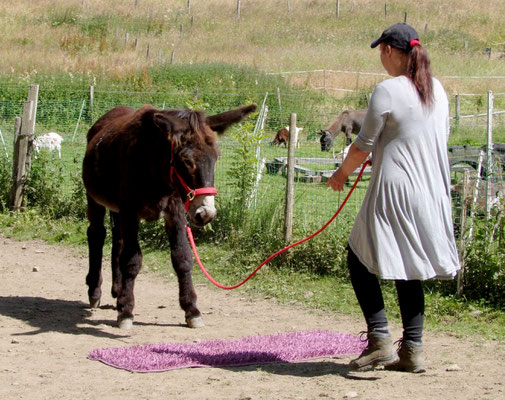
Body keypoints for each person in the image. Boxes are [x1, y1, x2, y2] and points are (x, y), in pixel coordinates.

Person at [327, 22, 460, 373]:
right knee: (409, 265)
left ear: (389, 51)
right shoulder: (438, 90)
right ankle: (413, 349)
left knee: (357, 257)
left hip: (395, 190)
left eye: (381, 53)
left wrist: (341, 174)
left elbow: (362, 146)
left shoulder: (387, 89)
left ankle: (380, 340)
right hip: (431, 190)